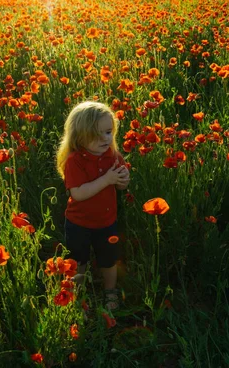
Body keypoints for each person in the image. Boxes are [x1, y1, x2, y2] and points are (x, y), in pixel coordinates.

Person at [56, 101, 130, 311]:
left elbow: (122, 186)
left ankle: (110, 290)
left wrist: (123, 180)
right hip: (79, 223)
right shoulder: (75, 161)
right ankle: (77, 294)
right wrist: (107, 180)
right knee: (78, 260)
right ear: (79, 137)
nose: (105, 139)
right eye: (97, 135)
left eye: (108, 132)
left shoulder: (113, 157)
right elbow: (78, 194)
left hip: (106, 222)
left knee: (109, 260)